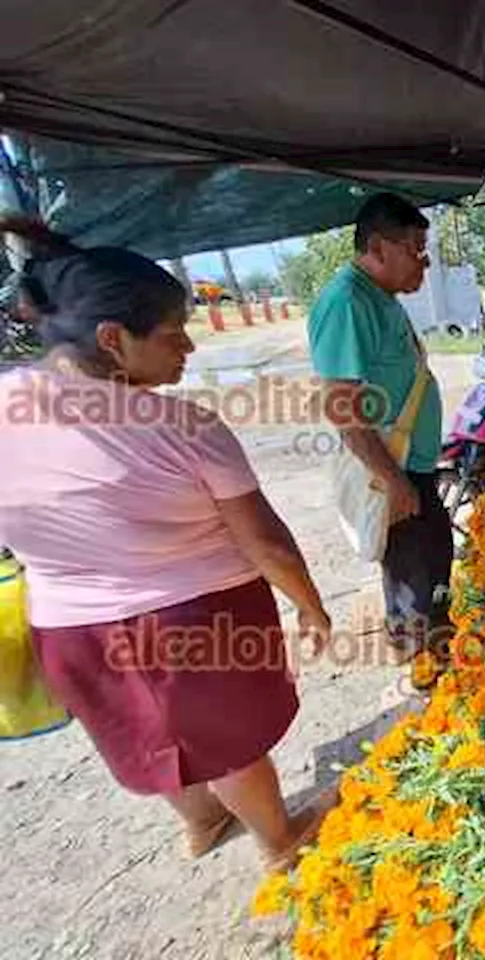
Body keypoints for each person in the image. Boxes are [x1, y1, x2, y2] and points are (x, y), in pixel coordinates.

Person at [0, 217, 331, 873]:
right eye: (173, 332)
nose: (190, 346)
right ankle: (279, 838)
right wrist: (310, 606)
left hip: (70, 630)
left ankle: (204, 821)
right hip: (191, 619)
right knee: (226, 745)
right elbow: (266, 543)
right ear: (112, 339)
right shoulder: (182, 426)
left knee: (149, 735)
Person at [307, 194, 451, 665]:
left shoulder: (381, 298)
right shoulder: (348, 301)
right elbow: (343, 408)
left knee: (434, 567)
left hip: (414, 466)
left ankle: (440, 661)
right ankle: (425, 678)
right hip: (398, 472)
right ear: (377, 247)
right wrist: (393, 480)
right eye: (415, 248)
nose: (423, 261)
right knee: (412, 581)